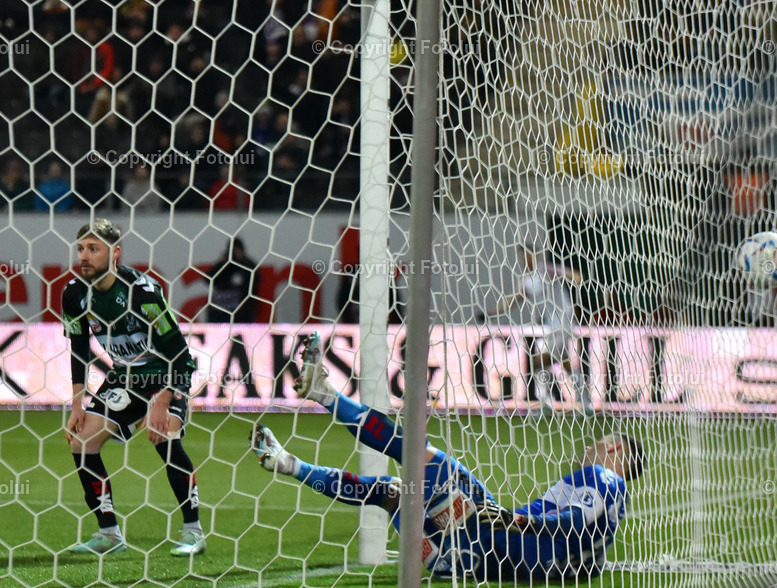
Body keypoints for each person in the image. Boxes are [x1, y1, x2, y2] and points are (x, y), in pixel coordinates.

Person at [250, 333, 644, 580]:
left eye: (601, 442)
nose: (590, 448)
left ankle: (323, 394)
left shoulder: (605, 477)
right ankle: (289, 463)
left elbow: (577, 518)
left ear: (615, 450)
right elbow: (584, 549)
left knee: (420, 456)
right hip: (485, 552)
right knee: (392, 492)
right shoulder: (608, 509)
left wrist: (518, 519)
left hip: (502, 537)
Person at [62, 219, 206, 556]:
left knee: (166, 437)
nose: (84, 256)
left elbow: (181, 355)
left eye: (93, 249)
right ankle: (109, 534)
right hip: (126, 376)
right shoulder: (73, 294)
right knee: (81, 443)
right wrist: (77, 404)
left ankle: (193, 532)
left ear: (114, 253)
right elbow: (79, 349)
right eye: (81, 248)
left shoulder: (141, 292)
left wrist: (163, 399)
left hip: (166, 372)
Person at [481, 243, 590, 416]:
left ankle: (546, 403)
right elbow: (513, 300)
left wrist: (568, 279)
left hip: (564, 322)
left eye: (527, 255)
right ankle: (584, 401)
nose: (524, 260)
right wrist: (491, 314)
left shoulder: (548, 269)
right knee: (564, 363)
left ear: (535, 254)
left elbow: (577, 277)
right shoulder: (527, 279)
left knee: (539, 360)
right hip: (550, 327)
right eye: (521, 257)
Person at [207, 237, 259, 323]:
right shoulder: (224, 265)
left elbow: (255, 280)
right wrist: (221, 263)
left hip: (241, 313)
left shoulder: (248, 265)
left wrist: (242, 261)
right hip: (219, 313)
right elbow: (209, 279)